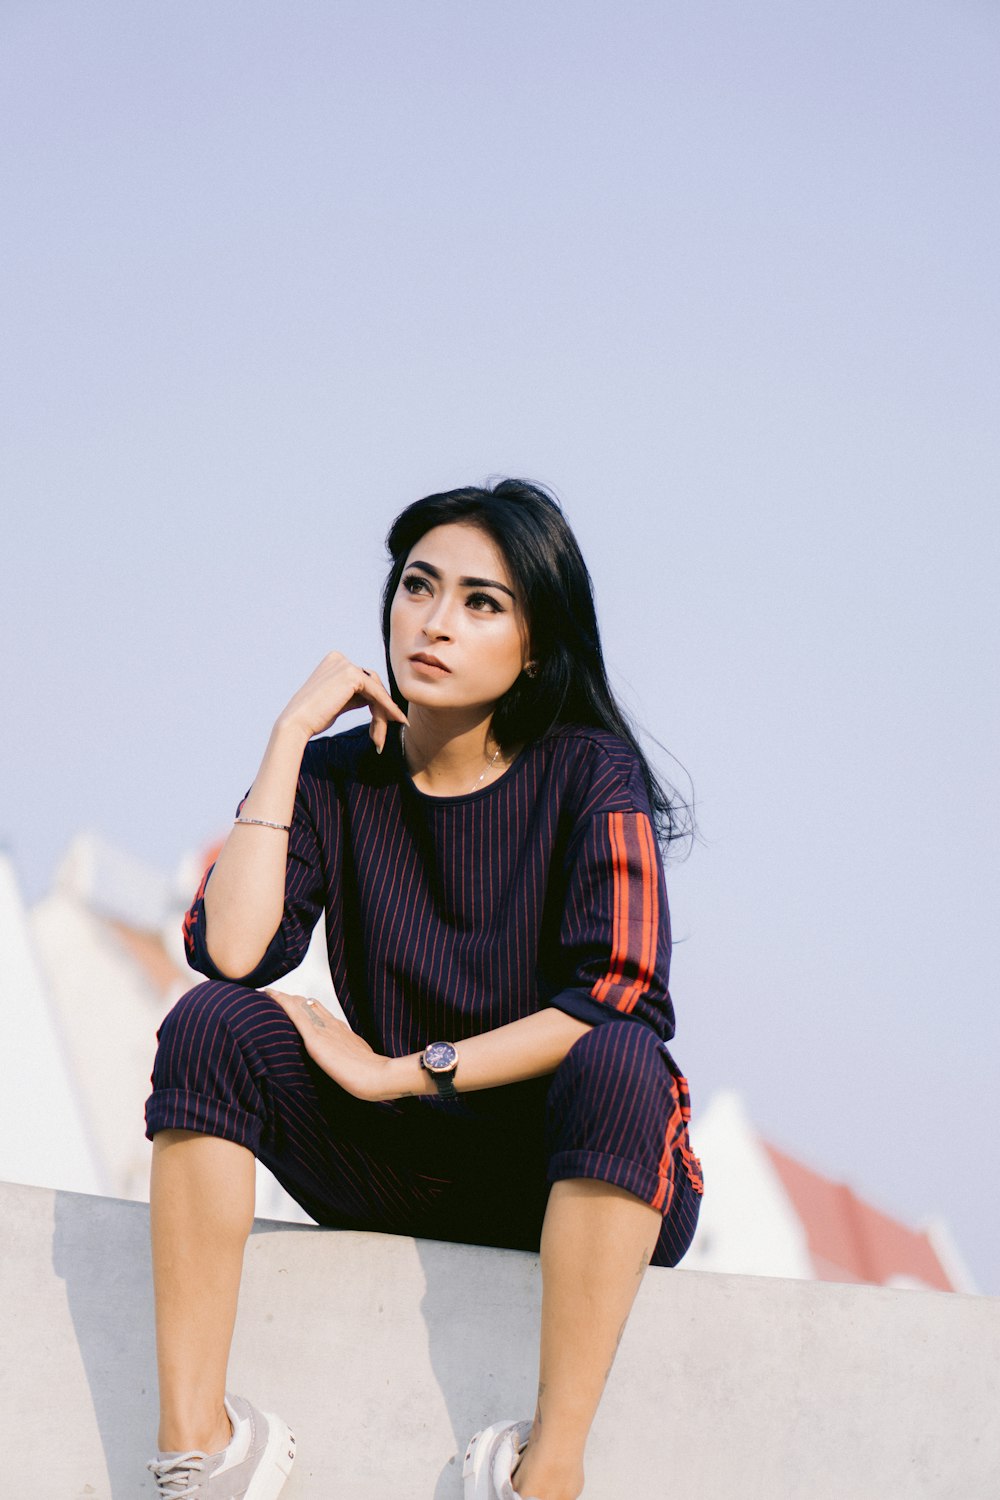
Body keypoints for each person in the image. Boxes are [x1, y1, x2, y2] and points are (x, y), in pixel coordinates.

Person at [144, 478, 703, 1500]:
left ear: (534, 643)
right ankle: (201, 1453)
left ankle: (547, 1473)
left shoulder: (588, 773)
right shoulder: (333, 778)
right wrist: (286, 741)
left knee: (623, 1057)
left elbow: (617, 995)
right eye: (418, 587)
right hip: (401, 1165)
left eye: (482, 602)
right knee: (210, 1024)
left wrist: (402, 1073)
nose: (436, 623)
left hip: (565, 1171)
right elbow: (229, 952)